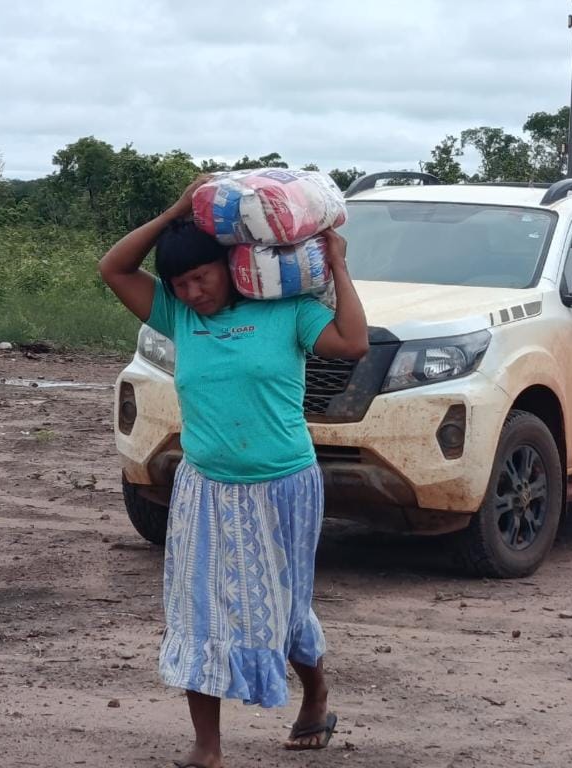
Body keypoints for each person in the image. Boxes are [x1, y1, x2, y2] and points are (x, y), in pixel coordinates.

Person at [99, 174, 369, 768]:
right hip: (206, 486)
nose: (193, 292)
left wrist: (339, 268)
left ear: (230, 267)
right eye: (181, 284)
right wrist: (176, 211)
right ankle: (207, 749)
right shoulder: (178, 317)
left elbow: (353, 343)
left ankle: (316, 694)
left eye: (202, 277)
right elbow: (114, 269)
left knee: (284, 606)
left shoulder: (289, 313)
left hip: (285, 486)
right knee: (199, 611)